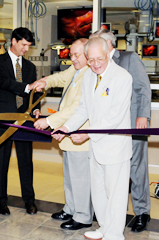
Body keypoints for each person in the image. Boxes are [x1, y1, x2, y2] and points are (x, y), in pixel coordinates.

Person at [53, 37, 132, 240]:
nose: (95, 64)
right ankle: (104, 228)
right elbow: (83, 109)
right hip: (95, 147)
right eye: (92, 60)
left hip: (114, 146)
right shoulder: (89, 77)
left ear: (108, 55)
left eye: (100, 59)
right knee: (98, 191)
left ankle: (115, 234)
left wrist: (87, 133)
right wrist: (66, 127)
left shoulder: (122, 77)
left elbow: (114, 117)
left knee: (115, 193)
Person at [90, 29, 152, 232]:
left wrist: (143, 116)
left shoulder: (129, 58)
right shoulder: (98, 67)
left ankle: (142, 212)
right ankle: (117, 214)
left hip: (133, 124)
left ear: (108, 45)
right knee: (114, 174)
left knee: (136, 168)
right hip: (108, 130)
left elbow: (144, 87)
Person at [34, 38, 93, 230]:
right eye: (71, 54)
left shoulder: (90, 75)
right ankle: (71, 208)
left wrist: (50, 122)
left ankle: (83, 216)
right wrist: (44, 81)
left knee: (80, 178)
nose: (72, 58)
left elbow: (76, 108)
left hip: (80, 136)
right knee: (70, 176)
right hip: (68, 135)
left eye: (77, 55)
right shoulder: (76, 70)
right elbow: (59, 78)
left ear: (87, 55)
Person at [0, 27, 40, 215]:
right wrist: (27, 87)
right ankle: (0, 201)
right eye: (24, 45)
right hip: (3, 118)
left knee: (26, 162)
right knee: (0, 162)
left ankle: (29, 201)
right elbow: (3, 82)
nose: (26, 49)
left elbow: (33, 96)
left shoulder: (31, 68)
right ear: (14, 41)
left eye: (29, 46)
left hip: (24, 121)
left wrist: (35, 108)